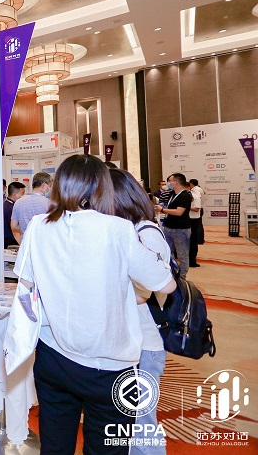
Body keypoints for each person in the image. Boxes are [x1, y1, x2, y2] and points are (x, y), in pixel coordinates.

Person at [14, 155, 175, 455]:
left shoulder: (38, 225)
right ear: (103, 187)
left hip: (52, 354)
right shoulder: (118, 229)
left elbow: (25, 284)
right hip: (108, 365)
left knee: (54, 445)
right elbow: (165, 284)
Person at [110, 168, 171, 455]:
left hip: (145, 345)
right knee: (127, 421)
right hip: (130, 344)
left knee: (142, 424)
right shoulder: (128, 231)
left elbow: (143, 293)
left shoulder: (144, 233)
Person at [155, 173, 192, 279]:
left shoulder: (185, 195)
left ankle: (182, 276)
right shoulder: (172, 194)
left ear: (176, 182)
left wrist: (163, 210)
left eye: (170, 181)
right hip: (168, 227)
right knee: (167, 252)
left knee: (182, 254)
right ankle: (169, 273)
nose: (168, 183)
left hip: (181, 229)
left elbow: (179, 212)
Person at [10, 171, 51, 241]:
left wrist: (25, 228)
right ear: (43, 185)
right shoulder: (49, 203)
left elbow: (13, 226)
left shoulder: (18, 202)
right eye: (49, 186)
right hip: (42, 243)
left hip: (25, 242)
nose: (49, 189)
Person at [3, 181, 26, 248]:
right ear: (15, 195)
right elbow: (14, 229)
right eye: (22, 193)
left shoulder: (5, 204)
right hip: (10, 242)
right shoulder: (11, 208)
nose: (23, 196)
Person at [188, 183, 203, 267]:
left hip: (193, 219)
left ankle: (192, 260)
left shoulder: (195, 196)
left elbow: (197, 209)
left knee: (192, 240)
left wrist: (185, 207)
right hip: (186, 219)